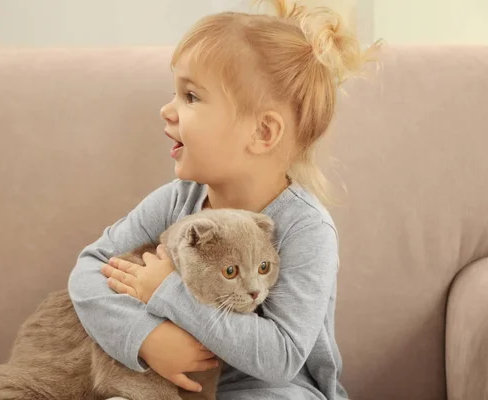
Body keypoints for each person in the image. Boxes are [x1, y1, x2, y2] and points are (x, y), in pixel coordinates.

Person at [68, 1, 378, 398]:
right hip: (176, 383)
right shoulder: (176, 201)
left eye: (191, 97)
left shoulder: (306, 229)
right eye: (175, 93)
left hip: (273, 388)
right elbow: (90, 269)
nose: (167, 110)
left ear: (263, 132)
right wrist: (147, 339)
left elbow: (281, 357)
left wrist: (169, 294)